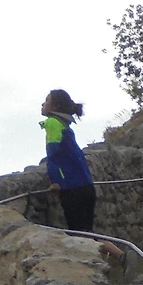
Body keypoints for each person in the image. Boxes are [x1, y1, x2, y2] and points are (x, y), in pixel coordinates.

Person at [41, 89, 97, 232]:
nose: (42, 104)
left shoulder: (52, 123)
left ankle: (121, 254)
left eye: (46, 101)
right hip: (85, 185)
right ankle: (121, 255)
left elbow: (54, 153)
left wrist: (56, 181)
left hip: (72, 189)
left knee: (80, 236)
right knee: (87, 234)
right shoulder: (65, 125)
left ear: (55, 106)